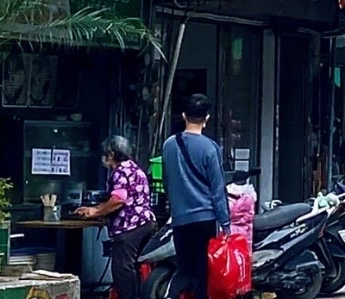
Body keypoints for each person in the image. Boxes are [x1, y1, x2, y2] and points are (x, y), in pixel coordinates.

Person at [162, 94, 230, 299]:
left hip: (180, 219)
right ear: (207, 118)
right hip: (204, 219)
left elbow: (167, 182)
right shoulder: (210, 148)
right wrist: (226, 224)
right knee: (202, 273)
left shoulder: (169, 145)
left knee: (184, 269)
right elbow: (218, 190)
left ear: (184, 116)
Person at [75, 136, 156, 299]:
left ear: (111, 154)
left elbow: (119, 199)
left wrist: (96, 213)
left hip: (130, 227)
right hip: (146, 223)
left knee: (123, 270)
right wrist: (94, 208)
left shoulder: (120, 171)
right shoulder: (134, 168)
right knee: (135, 267)